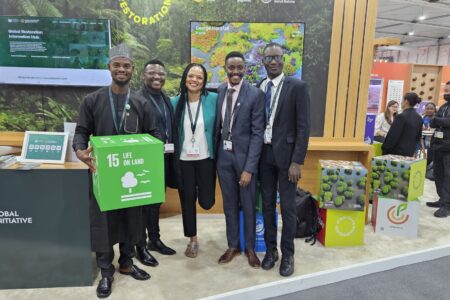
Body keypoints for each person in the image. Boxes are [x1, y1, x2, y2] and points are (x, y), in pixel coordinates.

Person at [73, 44, 156, 298]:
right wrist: (79, 151)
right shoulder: (93, 100)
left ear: (133, 70)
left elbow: (154, 135)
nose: (122, 69)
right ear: (109, 67)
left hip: (131, 175)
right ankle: (106, 272)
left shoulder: (142, 102)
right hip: (103, 174)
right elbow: (81, 132)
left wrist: (149, 154)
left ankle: (128, 262)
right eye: (117, 65)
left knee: (132, 219)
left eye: (126, 66)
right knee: (104, 223)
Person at [257, 43, 310, 277]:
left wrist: (297, 161)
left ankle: (288, 254)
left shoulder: (297, 87)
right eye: (269, 58)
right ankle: (271, 251)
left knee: (287, 208)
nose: (274, 61)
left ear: (283, 59)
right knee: (267, 206)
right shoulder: (259, 87)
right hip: (263, 157)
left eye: (277, 57)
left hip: (288, 159)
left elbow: (303, 126)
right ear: (263, 62)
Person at [215, 51, 265, 268]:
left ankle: (251, 249)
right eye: (231, 67)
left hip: (245, 160)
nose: (235, 71)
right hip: (223, 158)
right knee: (229, 205)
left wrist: (249, 168)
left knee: (248, 203)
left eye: (239, 67)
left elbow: (257, 134)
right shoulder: (219, 91)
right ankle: (233, 245)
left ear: (244, 69)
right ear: (225, 68)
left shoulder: (254, 94)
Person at [171, 63, 218, 258]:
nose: (194, 80)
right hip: (184, 161)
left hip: (206, 159)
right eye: (191, 76)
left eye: (199, 77)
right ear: (185, 78)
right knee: (187, 201)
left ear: (204, 81)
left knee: (207, 202)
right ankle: (192, 239)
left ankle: (203, 196)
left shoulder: (214, 99)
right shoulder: (175, 102)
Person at [134, 59, 176, 268]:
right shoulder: (137, 99)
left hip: (164, 158)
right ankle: (140, 246)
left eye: (161, 73)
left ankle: (155, 240)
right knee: (143, 205)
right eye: (152, 73)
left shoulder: (165, 99)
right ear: (143, 76)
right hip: (145, 161)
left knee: (156, 201)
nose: (157, 76)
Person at [426, 81, 450, 218]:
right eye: (445, 90)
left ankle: (447, 205)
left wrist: (439, 120)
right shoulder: (444, 106)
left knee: (448, 176)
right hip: (438, 145)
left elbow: (441, 121)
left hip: (448, 148)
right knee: (438, 174)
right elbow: (433, 121)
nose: (446, 93)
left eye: (448, 90)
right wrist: (440, 120)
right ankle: (442, 199)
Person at [382, 92, 423, 157]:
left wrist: (385, 149)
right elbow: (418, 136)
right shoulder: (419, 118)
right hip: (410, 153)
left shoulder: (401, 117)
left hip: (396, 153)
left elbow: (392, 136)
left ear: (406, 101)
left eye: (402, 100)